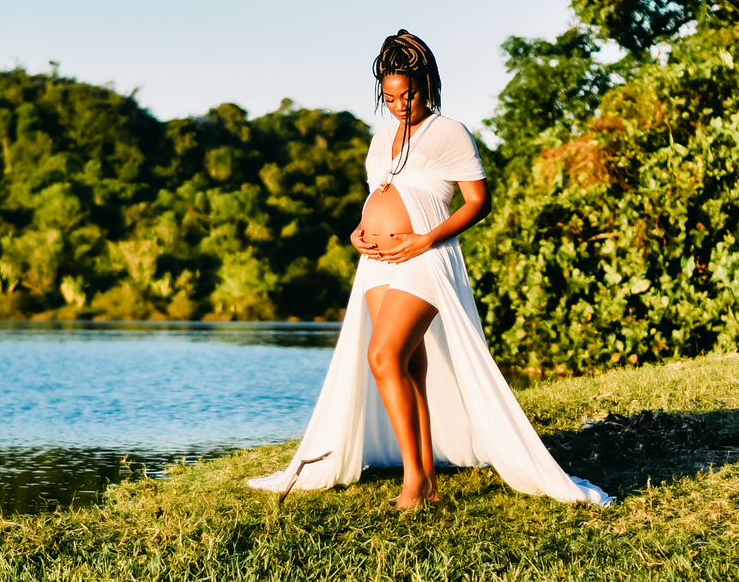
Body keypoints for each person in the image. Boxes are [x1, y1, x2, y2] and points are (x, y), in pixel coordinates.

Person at [248, 31, 610, 508]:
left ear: (428, 84)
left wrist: (425, 238)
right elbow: (382, 194)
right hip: (377, 263)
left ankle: (415, 481)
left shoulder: (449, 132)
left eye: (410, 93)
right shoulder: (382, 139)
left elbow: (477, 202)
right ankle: (422, 477)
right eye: (391, 96)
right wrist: (360, 230)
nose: (401, 104)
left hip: (424, 256)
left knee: (383, 356)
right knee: (408, 367)